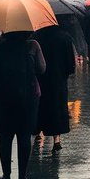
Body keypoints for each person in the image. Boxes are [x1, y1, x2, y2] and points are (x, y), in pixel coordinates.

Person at [0, 31, 45, 179]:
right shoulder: (33, 46)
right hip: (27, 98)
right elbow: (42, 69)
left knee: (6, 136)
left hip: (4, 98)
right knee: (24, 136)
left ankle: (6, 176)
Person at [32, 24, 75, 152]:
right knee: (57, 107)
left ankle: (37, 132)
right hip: (58, 79)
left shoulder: (36, 37)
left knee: (40, 106)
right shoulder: (65, 37)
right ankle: (56, 139)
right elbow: (70, 64)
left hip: (41, 78)